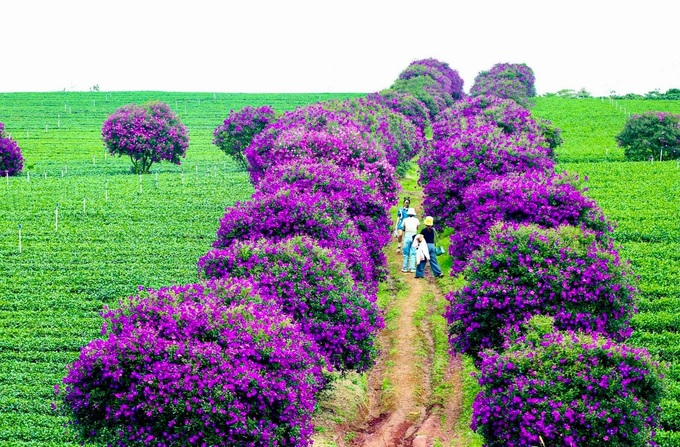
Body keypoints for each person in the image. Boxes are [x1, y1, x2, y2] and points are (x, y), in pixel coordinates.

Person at [401, 207, 419, 273]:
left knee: (406, 252)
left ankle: (405, 267)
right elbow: (417, 227)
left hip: (407, 235)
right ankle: (412, 268)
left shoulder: (405, 220)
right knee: (413, 252)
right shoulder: (416, 220)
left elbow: (403, 228)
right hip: (414, 236)